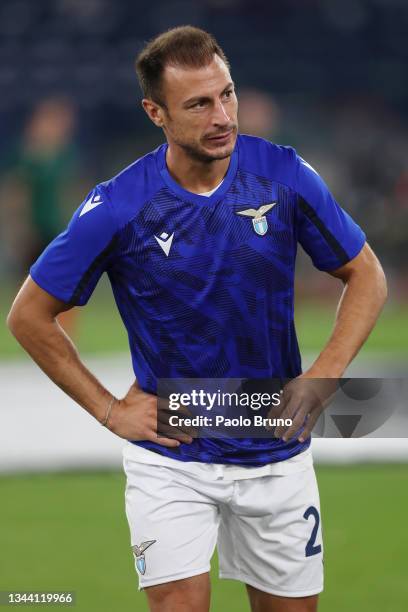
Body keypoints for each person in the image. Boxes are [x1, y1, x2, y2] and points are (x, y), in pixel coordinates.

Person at [7, 26, 387, 612]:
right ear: (154, 112)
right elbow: (29, 315)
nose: (222, 116)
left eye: (227, 94)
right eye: (199, 104)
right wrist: (110, 410)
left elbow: (367, 275)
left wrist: (325, 374)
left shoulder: (283, 175)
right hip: (171, 454)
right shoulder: (120, 205)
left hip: (273, 442)